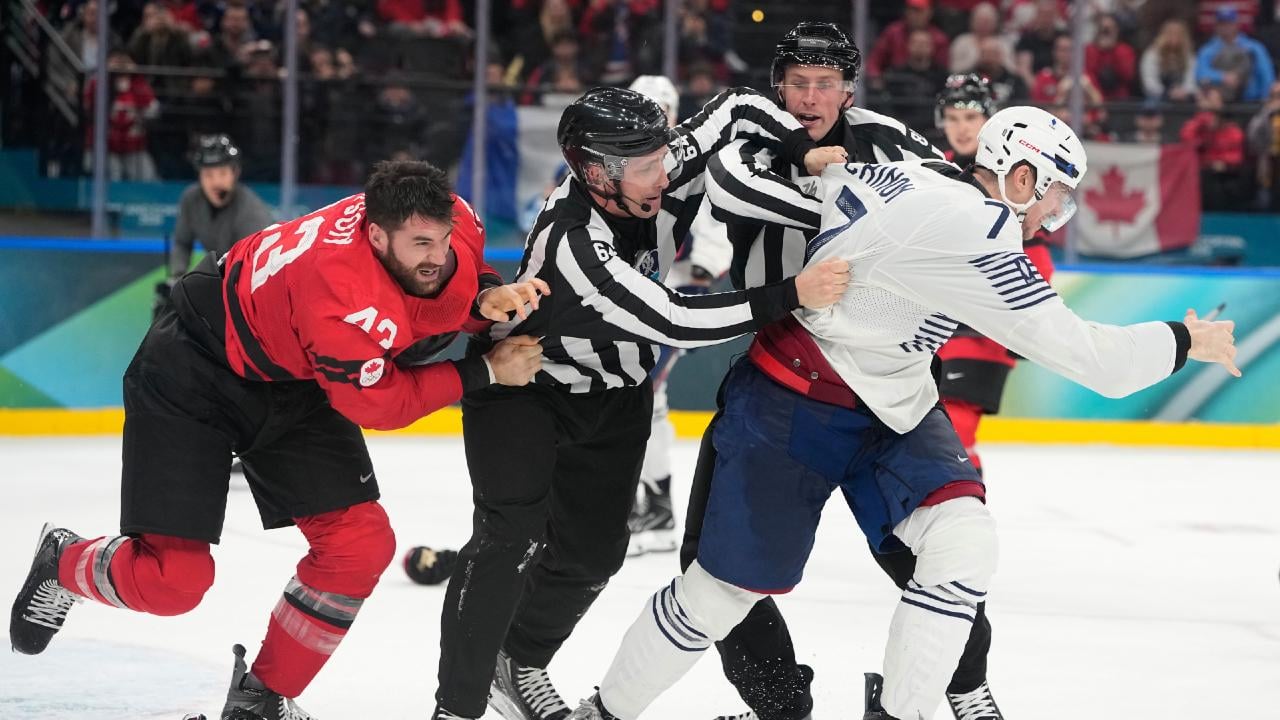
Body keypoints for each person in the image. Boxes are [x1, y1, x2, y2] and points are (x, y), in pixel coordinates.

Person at [567, 105, 1239, 720]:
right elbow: (1097, 362)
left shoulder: (910, 174)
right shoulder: (981, 233)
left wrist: (796, 161)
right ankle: (607, 711)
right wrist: (1186, 340)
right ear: (1023, 177)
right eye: (1057, 199)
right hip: (792, 403)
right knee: (719, 594)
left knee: (963, 542)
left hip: (894, 403)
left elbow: (786, 185)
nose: (1053, 219)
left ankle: (901, 713)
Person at [9, 160, 549, 720]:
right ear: (375, 235)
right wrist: (485, 370)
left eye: (442, 240)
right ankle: (63, 561)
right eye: (420, 244)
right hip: (194, 366)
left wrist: (485, 295)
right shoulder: (342, 297)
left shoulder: (448, 221)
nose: (437, 255)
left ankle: (259, 700)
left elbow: (456, 277)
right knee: (173, 582)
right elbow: (381, 403)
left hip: (290, 368)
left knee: (359, 546)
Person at [431, 85, 851, 720]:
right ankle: (457, 707)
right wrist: (792, 292)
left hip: (617, 395)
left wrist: (800, 150)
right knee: (505, 542)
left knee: (593, 556)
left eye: (661, 158)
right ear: (598, 173)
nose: (666, 173)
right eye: (648, 166)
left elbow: (735, 107)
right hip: (525, 389)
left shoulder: (646, 167)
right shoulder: (573, 243)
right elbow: (674, 318)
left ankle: (516, 661)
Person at [679, 24, 1005, 720]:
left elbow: (968, 206)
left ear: (848, 91)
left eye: (825, 83)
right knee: (712, 561)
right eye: (797, 83)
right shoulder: (747, 149)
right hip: (780, 380)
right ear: (778, 88)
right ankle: (780, 705)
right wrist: (856, 205)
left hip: (888, 382)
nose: (810, 96)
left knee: (931, 546)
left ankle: (965, 686)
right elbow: (730, 187)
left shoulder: (888, 138)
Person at [624, 74, 734, 558]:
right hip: (633, 301)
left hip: (673, 301)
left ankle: (642, 506)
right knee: (648, 400)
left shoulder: (693, 163)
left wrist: (696, 283)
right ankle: (655, 506)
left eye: (659, 109)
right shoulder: (619, 162)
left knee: (637, 393)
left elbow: (716, 231)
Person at [933, 72, 1057, 478]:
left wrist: (1029, 316)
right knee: (935, 435)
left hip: (983, 328)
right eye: (953, 118)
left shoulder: (1013, 172)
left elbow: (1037, 250)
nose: (961, 128)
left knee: (953, 434)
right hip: (938, 322)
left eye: (970, 118)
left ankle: (960, 507)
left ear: (989, 120)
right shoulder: (934, 168)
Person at [166, 134, 274, 287]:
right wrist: (177, 278)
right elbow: (182, 242)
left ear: (235, 173)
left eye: (223, 173)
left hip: (253, 279)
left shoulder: (252, 212)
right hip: (221, 274)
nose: (216, 182)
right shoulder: (191, 199)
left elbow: (253, 268)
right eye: (208, 175)